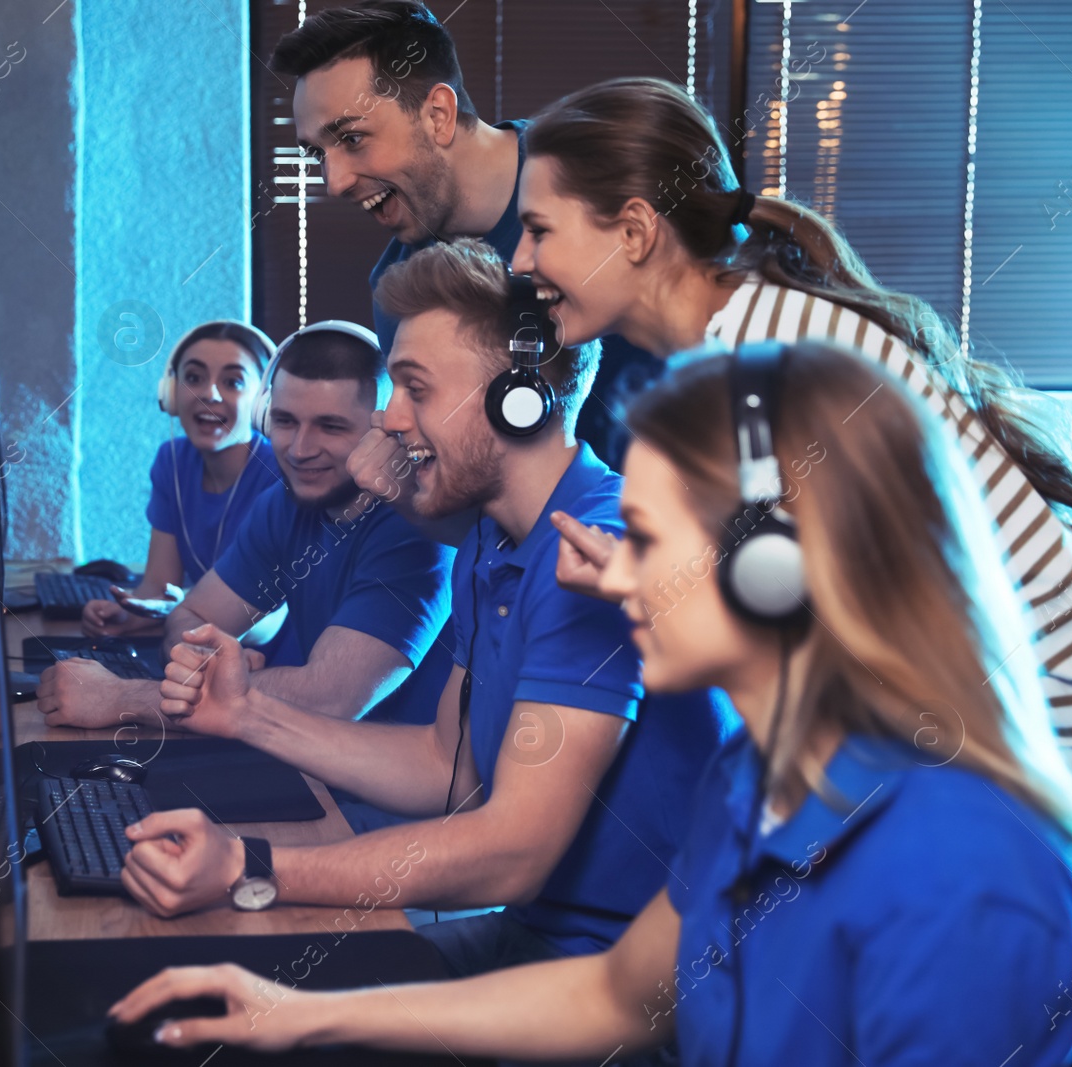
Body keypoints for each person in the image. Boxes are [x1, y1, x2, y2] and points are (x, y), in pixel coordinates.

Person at [110, 342, 1072, 1066]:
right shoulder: (762, 773)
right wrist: (294, 1014)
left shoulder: (965, 876)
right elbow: (615, 993)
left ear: (774, 565)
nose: (607, 569)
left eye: (642, 536)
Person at [500, 76, 1072, 792]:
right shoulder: (739, 342)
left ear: (637, 231)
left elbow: (819, 632)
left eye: (540, 229)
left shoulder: (775, 356)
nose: (520, 260)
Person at [123, 241, 731, 984]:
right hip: (540, 940)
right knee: (197, 985)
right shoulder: (490, 541)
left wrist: (251, 865)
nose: (389, 417)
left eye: (414, 387)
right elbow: (446, 764)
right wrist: (248, 713)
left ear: (521, 396)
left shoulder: (591, 549)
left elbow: (512, 850)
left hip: (634, 979)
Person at [271, 0, 656, 461]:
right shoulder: (399, 294)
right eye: (318, 154)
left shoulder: (612, 176)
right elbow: (463, 488)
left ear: (438, 114)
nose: (333, 183)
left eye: (352, 139)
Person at [36, 321, 454, 735]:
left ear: (385, 434)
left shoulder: (418, 532)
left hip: (392, 797)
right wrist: (209, 663)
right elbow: (191, 615)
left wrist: (119, 698)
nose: (301, 450)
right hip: (308, 760)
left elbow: (328, 698)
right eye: (286, 422)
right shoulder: (284, 505)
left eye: (331, 426)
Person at [80, 320, 282, 640]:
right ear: (172, 394)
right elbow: (160, 586)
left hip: (267, 656)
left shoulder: (280, 473)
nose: (209, 394)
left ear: (263, 402)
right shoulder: (172, 462)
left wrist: (188, 610)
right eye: (193, 378)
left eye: (233, 382)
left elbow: (269, 615)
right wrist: (127, 613)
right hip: (196, 645)